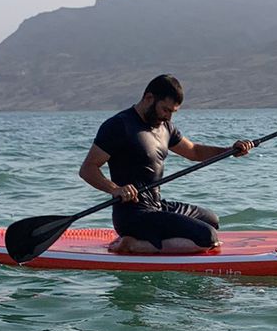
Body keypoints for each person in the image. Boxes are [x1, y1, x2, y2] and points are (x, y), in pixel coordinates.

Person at [78, 74, 254, 254]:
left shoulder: (165, 127)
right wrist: (115, 189)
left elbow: (194, 151)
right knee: (207, 237)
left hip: (157, 206)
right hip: (133, 215)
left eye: (172, 112)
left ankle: (150, 239)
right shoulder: (119, 125)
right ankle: (132, 244)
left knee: (212, 220)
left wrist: (229, 150)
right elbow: (87, 169)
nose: (168, 117)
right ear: (148, 98)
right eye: (165, 110)